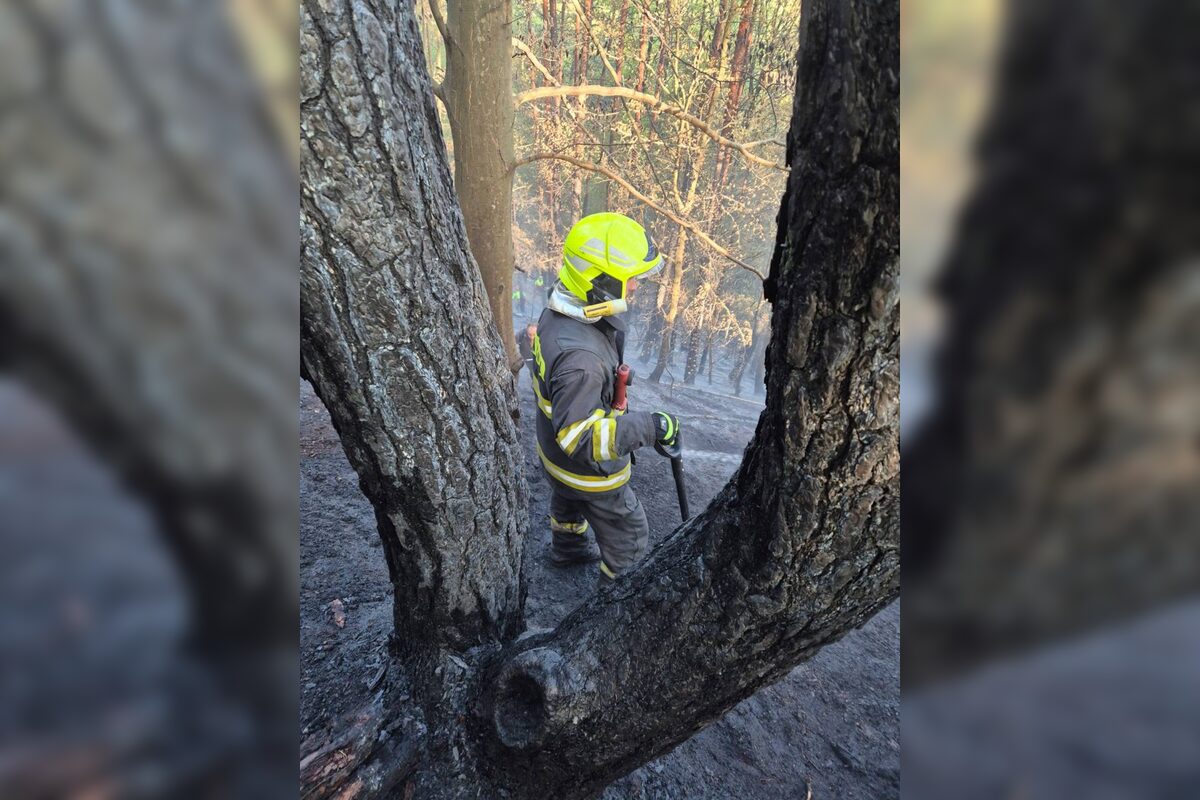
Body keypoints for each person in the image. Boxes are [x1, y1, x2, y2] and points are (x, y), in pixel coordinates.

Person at [530, 213, 680, 582]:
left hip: (555, 461)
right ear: (599, 280)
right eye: (629, 281)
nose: (634, 289)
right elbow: (580, 438)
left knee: (567, 503)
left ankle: (567, 550)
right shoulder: (583, 361)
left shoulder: (559, 312)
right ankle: (611, 603)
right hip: (589, 474)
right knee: (629, 536)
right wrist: (651, 426)